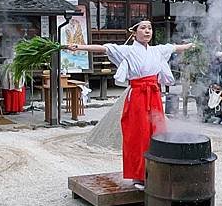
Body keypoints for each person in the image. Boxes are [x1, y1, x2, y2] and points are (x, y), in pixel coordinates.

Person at [68, 20, 194, 190]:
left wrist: (191, 46)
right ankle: (139, 176)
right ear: (134, 33)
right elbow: (104, 48)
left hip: (154, 95)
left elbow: (175, 47)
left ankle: (157, 172)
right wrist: (80, 47)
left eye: (149, 28)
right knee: (138, 135)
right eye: (143, 28)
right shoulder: (126, 51)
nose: (147, 31)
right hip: (138, 96)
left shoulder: (157, 50)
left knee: (157, 132)